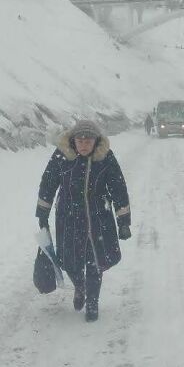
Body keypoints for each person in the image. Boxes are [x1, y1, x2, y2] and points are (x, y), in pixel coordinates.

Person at [35, 120, 131, 322]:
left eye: (89, 140)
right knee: (70, 262)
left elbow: (118, 189)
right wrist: (42, 213)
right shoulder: (62, 157)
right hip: (68, 219)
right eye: (80, 140)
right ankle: (79, 286)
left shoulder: (105, 159)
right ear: (73, 140)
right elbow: (48, 183)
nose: (84, 144)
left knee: (94, 262)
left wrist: (123, 221)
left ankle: (92, 302)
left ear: (96, 142)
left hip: (97, 220)